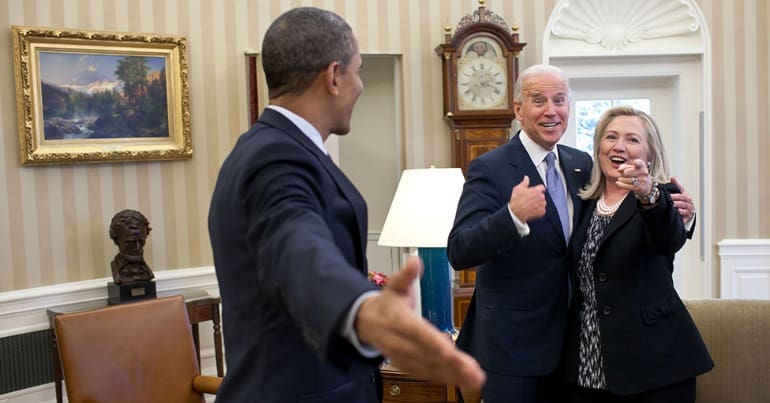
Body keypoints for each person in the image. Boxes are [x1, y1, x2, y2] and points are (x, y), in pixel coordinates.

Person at [208, 7, 484, 403]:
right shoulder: (275, 158)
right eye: (358, 71)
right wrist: (360, 309)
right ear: (334, 76)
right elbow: (297, 246)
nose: (360, 85)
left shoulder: (267, 147)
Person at [447, 64, 696, 403]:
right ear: (519, 109)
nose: (552, 110)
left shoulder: (582, 167)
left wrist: (683, 214)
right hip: (512, 350)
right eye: (539, 100)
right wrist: (511, 217)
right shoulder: (489, 168)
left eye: (560, 100)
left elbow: (646, 223)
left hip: (571, 353)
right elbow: (460, 250)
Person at [563, 106, 713, 402]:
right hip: (586, 364)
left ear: (649, 155)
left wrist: (649, 194)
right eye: (611, 137)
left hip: (654, 364)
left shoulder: (660, 197)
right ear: (598, 148)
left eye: (632, 140)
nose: (619, 146)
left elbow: (668, 238)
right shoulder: (584, 202)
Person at [108, 209, 154, 284]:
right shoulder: (116, 269)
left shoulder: (147, 271)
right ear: (116, 240)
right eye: (130, 243)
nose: (138, 247)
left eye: (141, 241)